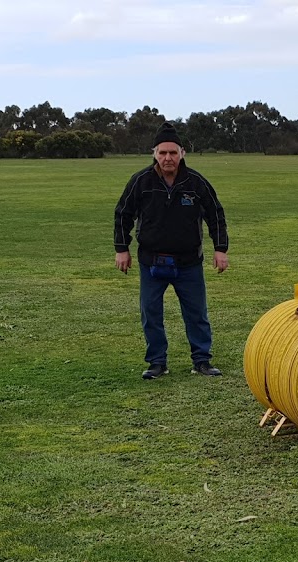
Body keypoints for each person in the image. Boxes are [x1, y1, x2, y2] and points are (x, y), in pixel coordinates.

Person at [114, 121, 230, 379]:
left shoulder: (196, 183)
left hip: (188, 263)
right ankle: (157, 362)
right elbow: (123, 214)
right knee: (151, 314)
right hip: (151, 263)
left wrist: (220, 249)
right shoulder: (141, 182)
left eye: (173, 153)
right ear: (154, 153)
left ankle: (202, 360)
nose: (168, 158)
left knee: (197, 314)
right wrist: (122, 249)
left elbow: (216, 215)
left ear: (182, 154)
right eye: (163, 153)